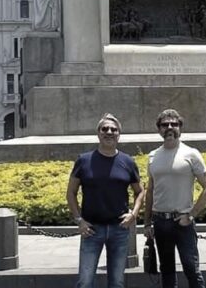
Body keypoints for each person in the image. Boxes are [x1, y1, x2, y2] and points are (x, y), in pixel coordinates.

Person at [67, 113, 144, 288]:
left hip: (120, 229)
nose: (109, 132)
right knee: (85, 282)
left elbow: (140, 191)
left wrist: (134, 213)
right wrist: (79, 220)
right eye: (105, 129)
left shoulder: (128, 161)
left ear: (119, 134)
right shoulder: (84, 160)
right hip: (91, 230)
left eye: (113, 129)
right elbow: (71, 192)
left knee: (117, 282)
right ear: (98, 133)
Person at [144, 109, 206, 288]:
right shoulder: (152, 156)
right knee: (166, 271)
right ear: (158, 129)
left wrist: (191, 215)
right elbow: (150, 191)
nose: (169, 127)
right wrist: (146, 223)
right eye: (165, 124)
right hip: (160, 222)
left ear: (180, 128)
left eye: (174, 124)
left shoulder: (191, 154)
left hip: (183, 221)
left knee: (191, 269)